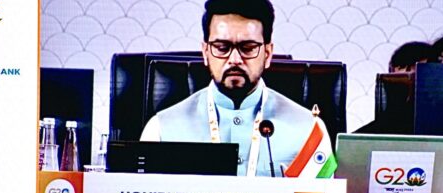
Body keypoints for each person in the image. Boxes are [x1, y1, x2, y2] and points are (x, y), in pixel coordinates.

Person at [140, 0, 334, 178]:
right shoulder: (160, 130)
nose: (234, 60)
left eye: (248, 48)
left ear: (267, 54)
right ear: (206, 53)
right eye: (222, 47)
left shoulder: (309, 131)